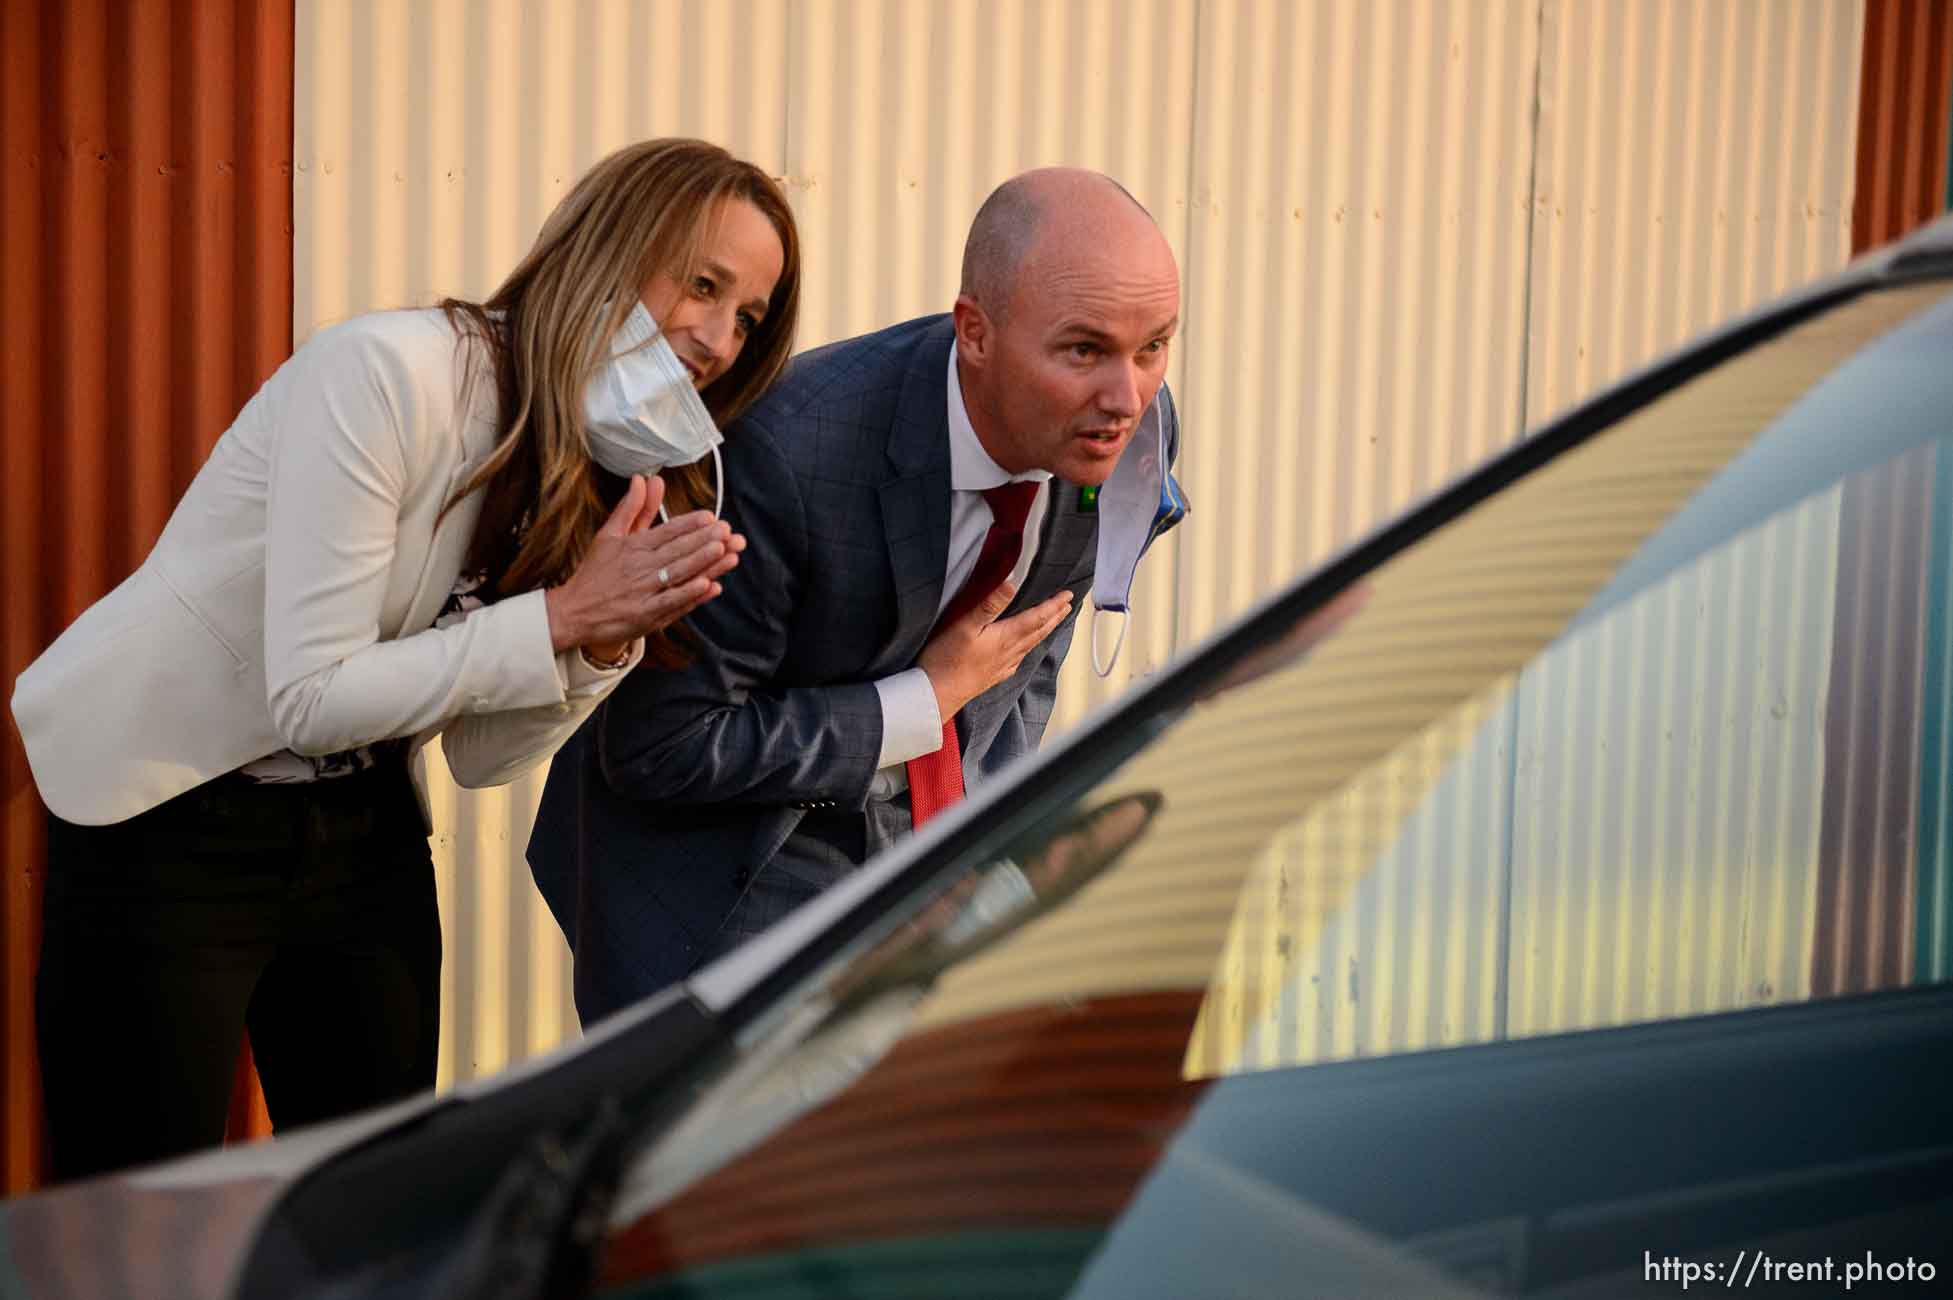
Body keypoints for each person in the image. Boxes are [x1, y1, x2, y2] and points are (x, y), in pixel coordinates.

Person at [10, 137, 800, 1181]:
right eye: (702, 285)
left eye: (748, 318)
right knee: (139, 1215)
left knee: (377, 1196)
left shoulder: (597, 461)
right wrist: (562, 618)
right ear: (606, 248)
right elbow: (311, 694)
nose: (717, 339)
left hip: (363, 819)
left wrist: (603, 639)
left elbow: (480, 756)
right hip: (170, 808)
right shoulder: (388, 372)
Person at [528, 167, 1184, 1022]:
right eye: (1083, 349)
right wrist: (926, 699)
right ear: (973, 332)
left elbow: (1030, 654)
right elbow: (664, 746)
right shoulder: (782, 455)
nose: (1127, 396)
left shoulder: (1127, 427)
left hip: (931, 865)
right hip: (734, 867)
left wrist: (985, 844)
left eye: (1153, 345)